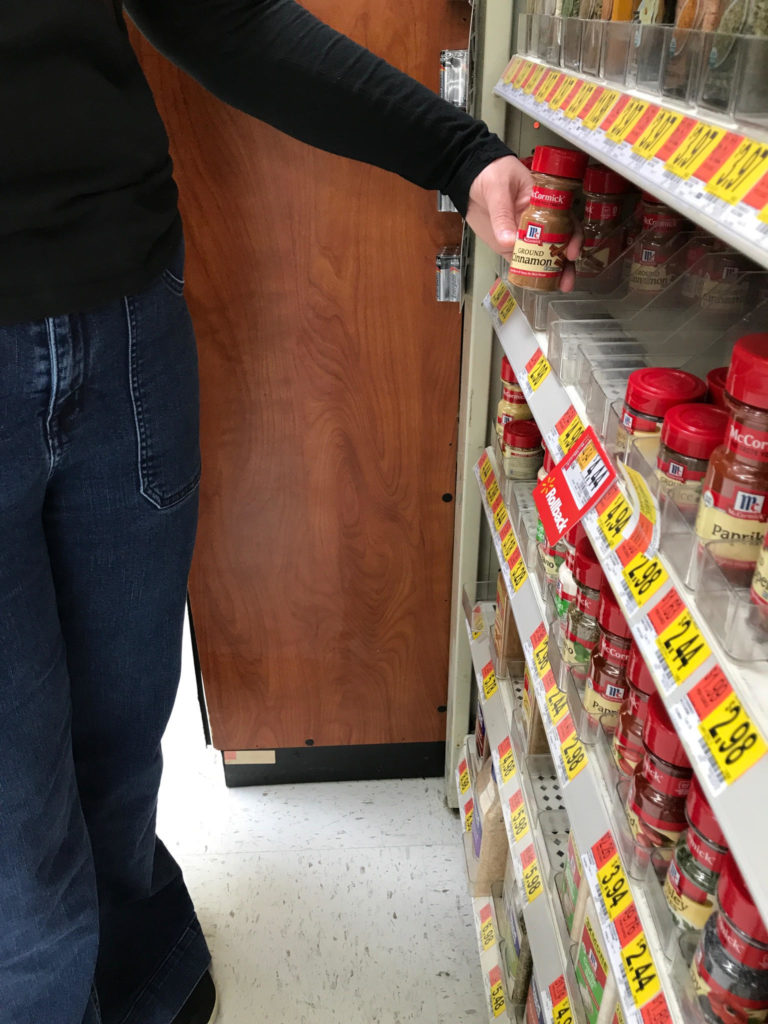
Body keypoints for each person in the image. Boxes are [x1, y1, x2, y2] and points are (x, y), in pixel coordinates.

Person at [0, 3, 580, 1023]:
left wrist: (459, 152)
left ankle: (139, 963)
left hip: (123, 320)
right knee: (16, 839)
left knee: (123, 732)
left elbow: (220, 17)